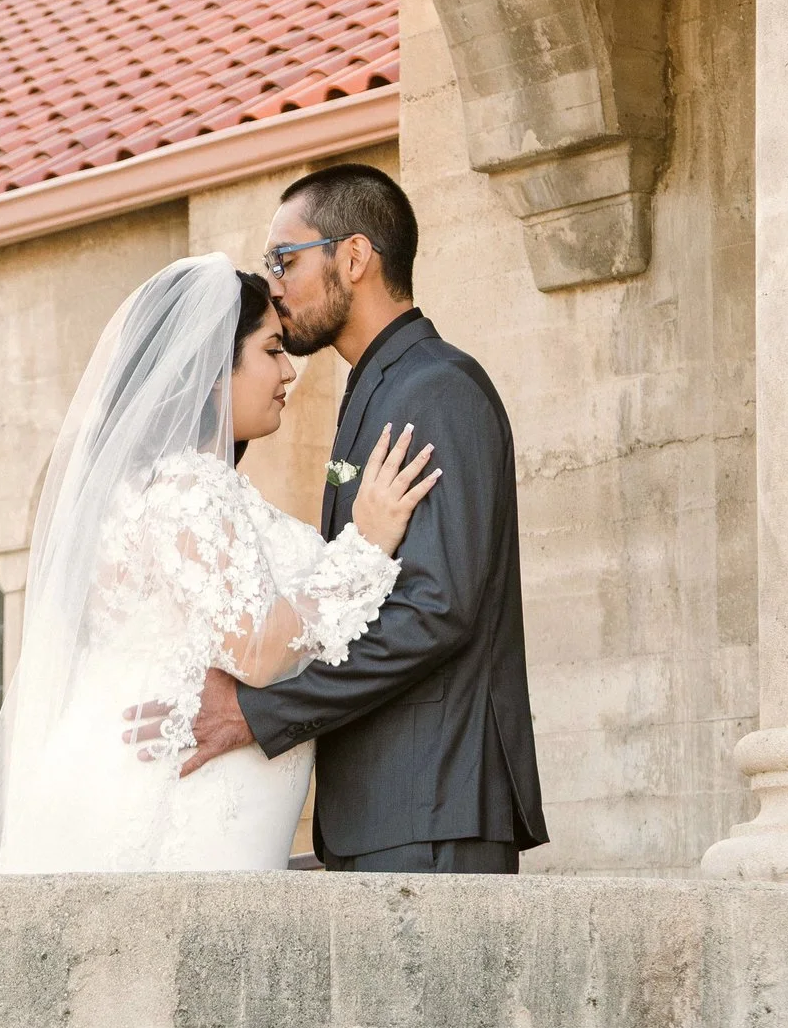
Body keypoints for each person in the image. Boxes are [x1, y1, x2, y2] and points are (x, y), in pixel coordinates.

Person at [0, 252, 439, 873]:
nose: (288, 372)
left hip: (180, 785)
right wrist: (366, 545)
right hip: (185, 800)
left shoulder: (149, 489)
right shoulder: (186, 489)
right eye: (271, 350)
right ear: (212, 370)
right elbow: (256, 651)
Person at [138, 163, 547, 875]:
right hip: (384, 813)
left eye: (285, 260)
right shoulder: (379, 387)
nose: (273, 285)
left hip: (432, 804)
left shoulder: (438, 391)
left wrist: (259, 712)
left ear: (353, 257)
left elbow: (435, 609)